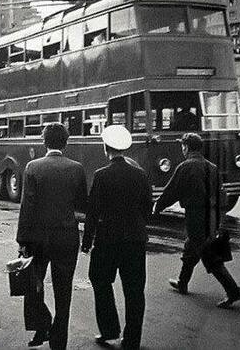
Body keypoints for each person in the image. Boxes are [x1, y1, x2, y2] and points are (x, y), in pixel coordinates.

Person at [16, 122, 88, 349]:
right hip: (66, 238)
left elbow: (26, 208)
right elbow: (82, 207)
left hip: (38, 239)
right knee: (63, 292)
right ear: (65, 143)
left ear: (44, 142)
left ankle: (41, 326)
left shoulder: (33, 167)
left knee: (33, 285)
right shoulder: (76, 168)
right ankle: (59, 342)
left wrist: (22, 242)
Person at [153, 132, 240, 308]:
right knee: (191, 249)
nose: (182, 149)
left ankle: (233, 291)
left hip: (195, 215)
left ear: (186, 147)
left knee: (209, 255)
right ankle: (182, 282)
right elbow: (220, 195)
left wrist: (158, 206)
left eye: (183, 146)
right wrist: (219, 220)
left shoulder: (185, 167)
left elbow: (171, 191)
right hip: (212, 216)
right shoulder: (212, 167)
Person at [81, 125, 151, 350]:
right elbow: (147, 209)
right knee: (134, 290)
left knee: (100, 280)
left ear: (106, 148)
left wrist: (86, 241)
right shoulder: (140, 175)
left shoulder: (101, 176)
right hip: (135, 240)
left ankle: (109, 330)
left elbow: (93, 212)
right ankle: (132, 340)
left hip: (108, 241)